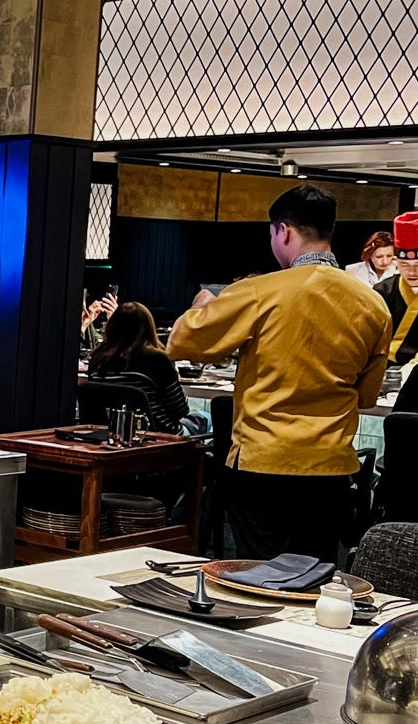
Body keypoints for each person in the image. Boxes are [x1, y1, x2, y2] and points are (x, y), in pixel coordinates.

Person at [167, 186, 391, 563]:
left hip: (263, 463)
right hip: (331, 467)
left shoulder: (259, 291)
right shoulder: (373, 304)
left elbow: (182, 343)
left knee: (258, 576)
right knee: (313, 578)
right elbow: (367, 396)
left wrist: (204, 302)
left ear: (283, 231)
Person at [88, 301, 203, 435]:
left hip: (107, 433)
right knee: (206, 417)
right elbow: (180, 411)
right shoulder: (158, 359)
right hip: (159, 435)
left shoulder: (97, 358)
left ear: (112, 326)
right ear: (149, 328)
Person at [374, 214, 418, 366]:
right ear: (395, 262)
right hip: (385, 367)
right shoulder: (382, 291)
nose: (412, 272)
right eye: (405, 265)